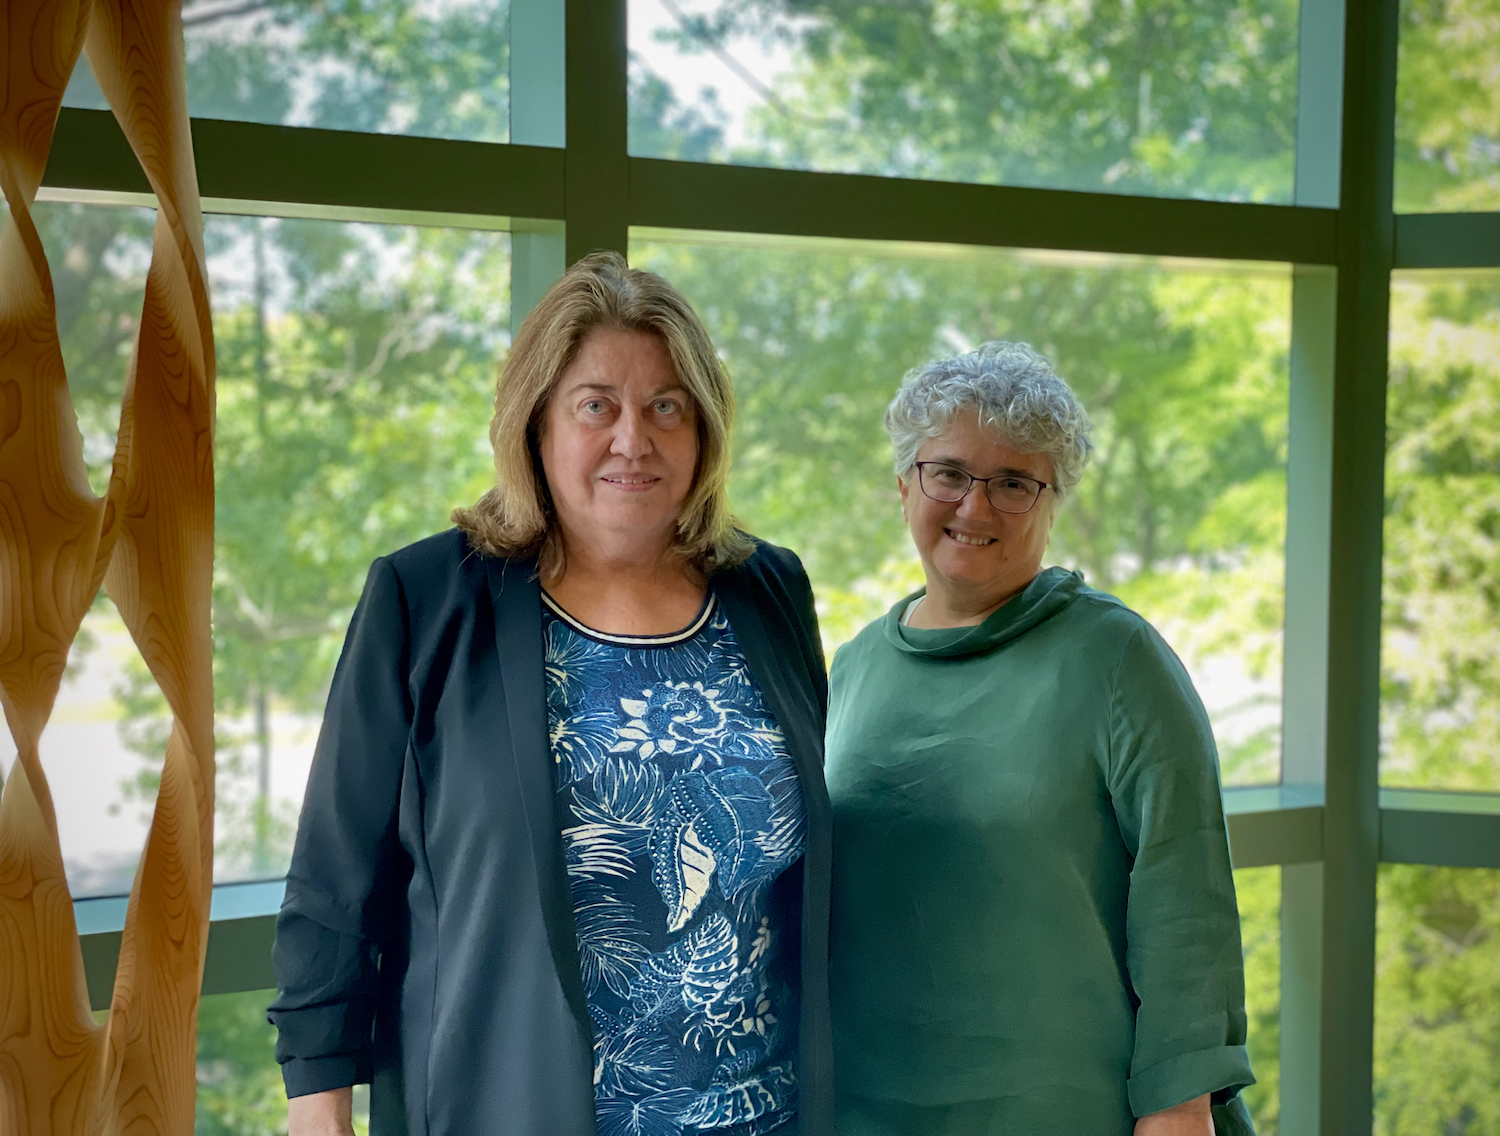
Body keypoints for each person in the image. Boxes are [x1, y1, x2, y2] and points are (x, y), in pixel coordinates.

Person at [269, 252, 833, 1136]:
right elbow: (335, 879)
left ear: (705, 430)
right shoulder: (426, 600)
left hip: (758, 1112)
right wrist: (317, 1107)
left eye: (666, 407)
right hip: (502, 1104)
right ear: (537, 425)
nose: (632, 439)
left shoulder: (770, 591)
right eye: (595, 405)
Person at [825, 341, 1255, 1136]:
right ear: (903, 484)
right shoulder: (852, 671)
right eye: (948, 472)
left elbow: (1185, 901)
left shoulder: (1119, 661)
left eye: (1015, 483)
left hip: (1069, 1110)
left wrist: (1180, 1108)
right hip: (868, 1107)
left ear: (1054, 502)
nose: (975, 508)